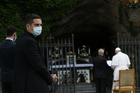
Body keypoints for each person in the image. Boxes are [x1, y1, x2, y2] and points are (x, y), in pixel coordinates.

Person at [14, 14, 57, 93]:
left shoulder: (21, 39)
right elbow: (38, 64)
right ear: (28, 26)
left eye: (40, 25)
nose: (39, 27)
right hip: (33, 86)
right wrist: (50, 78)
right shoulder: (29, 41)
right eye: (36, 25)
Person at [0, 26, 17, 93]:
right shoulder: (15, 46)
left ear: (6, 34)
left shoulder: (0, 46)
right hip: (14, 77)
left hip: (3, 76)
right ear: (14, 34)